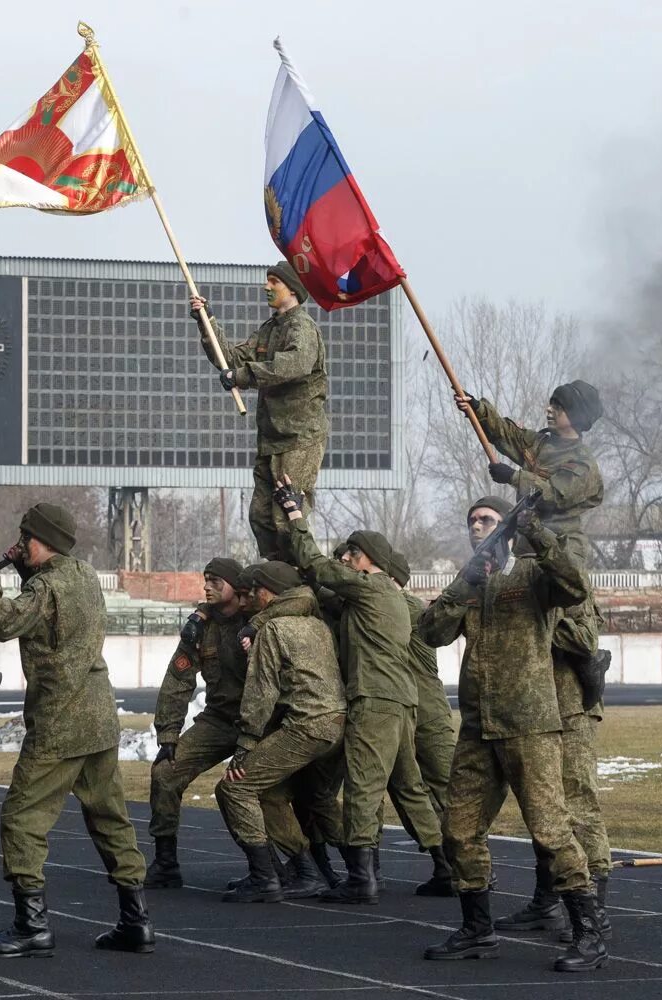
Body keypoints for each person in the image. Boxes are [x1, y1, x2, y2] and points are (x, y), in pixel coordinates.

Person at [417, 496, 606, 972]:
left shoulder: (532, 574)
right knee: (458, 830)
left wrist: (538, 534)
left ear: (508, 527)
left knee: (550, 829)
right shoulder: (472, 582)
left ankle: (589, 932)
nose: (477, 526)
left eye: (488, 520)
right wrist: (464, 584)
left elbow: (575, 585)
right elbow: (431, 630)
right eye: (472, 521)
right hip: (479, 726)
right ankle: (477, 930)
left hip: (531, 724)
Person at [0, 504, 153, 957]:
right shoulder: (83, 575)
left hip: (60, 722)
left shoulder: (46, 586)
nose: (20, 543)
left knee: (23, 819)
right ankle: (135, 920)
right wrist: (19, 568)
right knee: (111, 819)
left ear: (39, 540)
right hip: (98, 718)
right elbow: (49, 618)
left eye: (25, 537)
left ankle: (32, 927)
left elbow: (5, 622)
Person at [276, 481, 441, 904]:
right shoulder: (389, 597)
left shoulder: (368, 587)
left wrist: (296, 515)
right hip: (401, 702)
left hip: (374, 700)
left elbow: (315, 563)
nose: (345, 559)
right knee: (409, 788)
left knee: (364, 787)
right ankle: (450, 865)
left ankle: (361, 879)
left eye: (351, 554)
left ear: (368, 562)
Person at [215, 561, 345, 903]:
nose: (248, 600)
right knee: (271, 794)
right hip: (334, 724)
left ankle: (266, 876)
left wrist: (244, 745)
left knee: (235, 788)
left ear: (266, 592)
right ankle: (316, 872)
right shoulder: (316, 624)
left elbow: (261, 692)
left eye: (252, 592)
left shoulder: (272, 630)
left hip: (306, 725)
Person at [191, 261, 327, 557]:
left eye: (273, 282)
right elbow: (230, 360)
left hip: (298, 439)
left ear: (291, 289)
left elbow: (292, 365)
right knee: (261, 515)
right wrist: (207, 321)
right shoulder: (268, 331)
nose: (266, 287)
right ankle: (274, 574)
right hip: (270, 439)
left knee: (287, 515)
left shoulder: (302, 328)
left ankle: (300, 577)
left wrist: (242, 377)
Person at [497, 596, 613, 943]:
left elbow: (585, 639)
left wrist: (534, 618)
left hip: (570, 707)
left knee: (579, 803)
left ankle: (597, 908)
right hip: (535, 709)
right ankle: (546, 902)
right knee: (544, 806)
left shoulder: (566, 582)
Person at [145, 557, 245, 889]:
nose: (207, 586)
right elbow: (178, 679)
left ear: (235, 586)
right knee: (165, 772)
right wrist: (168, 733)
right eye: (206, 580)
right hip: (219, 719)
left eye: (216, 581)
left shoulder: (257, 620)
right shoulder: (200, 628)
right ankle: (165, 862)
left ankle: (274, 867)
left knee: (246, 788)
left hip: (261, 721)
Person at [455, 381, 603, 563]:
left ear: (576, 416)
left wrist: (513, 477)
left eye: (558, 407)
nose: (549, 410)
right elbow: (505, 433)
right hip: (527, 542)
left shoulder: (583, 463)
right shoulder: (538, 443)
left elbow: (553, 495)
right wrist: (477, 409)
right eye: (551, 404)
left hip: (560, 550)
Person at [388, 549, 458, 897]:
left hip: (426, 708)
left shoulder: (407, 608)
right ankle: (446, 864)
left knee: (445, 789)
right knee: (409, 789)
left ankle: (468, 866)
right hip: (407, 706)